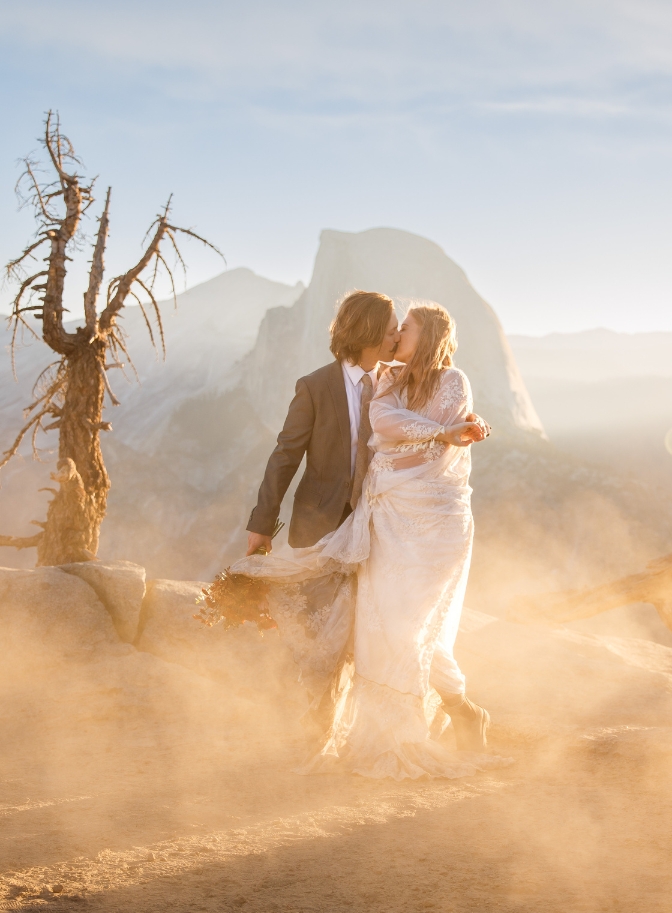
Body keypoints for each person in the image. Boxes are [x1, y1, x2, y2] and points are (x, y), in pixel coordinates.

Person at [233, 299, 505, 781]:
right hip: (326, 528)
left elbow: (432, 423)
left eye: (403, 330)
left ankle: (455, 712)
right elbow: (285, 455)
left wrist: (456, 427)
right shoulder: (320, 386)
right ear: (367, 335)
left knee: (391, 631)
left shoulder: (404, 378)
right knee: (325, 639)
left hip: (395, 529)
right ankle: (313, 742)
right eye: (390, 330)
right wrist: (262, 523)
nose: (397, 336)